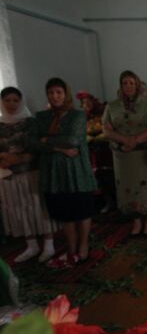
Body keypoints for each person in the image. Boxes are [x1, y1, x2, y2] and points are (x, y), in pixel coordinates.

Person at [28, 78, 97, 267]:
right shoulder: (41, 117)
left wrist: (46, 140)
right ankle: (71, 247)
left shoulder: (77, 115)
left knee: (82, 208)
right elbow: (32, 143)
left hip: (76, 170)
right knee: (65, 210)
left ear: (65, 94)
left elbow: (73, 140)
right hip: (54, 171)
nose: (55, 96)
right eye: (51, 92)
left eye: (58, 92)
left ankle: (83, 245)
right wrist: (59, 149)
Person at [0, 87, 57, 263]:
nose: (11, 104)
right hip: (9, 175)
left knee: (38, 206)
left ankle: (49, 243)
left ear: (20, 102)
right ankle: (31, 244)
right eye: (7, 100)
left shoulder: (30, 122)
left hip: (31, 172)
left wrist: (15, 159)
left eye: (15, 100)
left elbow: (36, 148)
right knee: (19, 208)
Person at [102, 70, 147, 236]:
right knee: (127, 186)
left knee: (146, 187)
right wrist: (123, 139)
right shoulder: (112, 106)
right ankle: (136, 221)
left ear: (137, 85)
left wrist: (135, 140)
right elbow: (106, 129)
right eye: (125, 83)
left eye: (131, 83)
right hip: (123, 155)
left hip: (143, 154)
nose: (128, 86)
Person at [76, 90, 115, 214]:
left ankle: (113, 202)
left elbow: (109, 129)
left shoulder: (102, 114)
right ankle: (102, 202)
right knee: (97, 178)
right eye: (83, 103)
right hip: (91, 152)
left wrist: (100, 137)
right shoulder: (82, 118)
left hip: (105, 150)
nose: (85, 105)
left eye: (88, 102)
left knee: (108, 177)